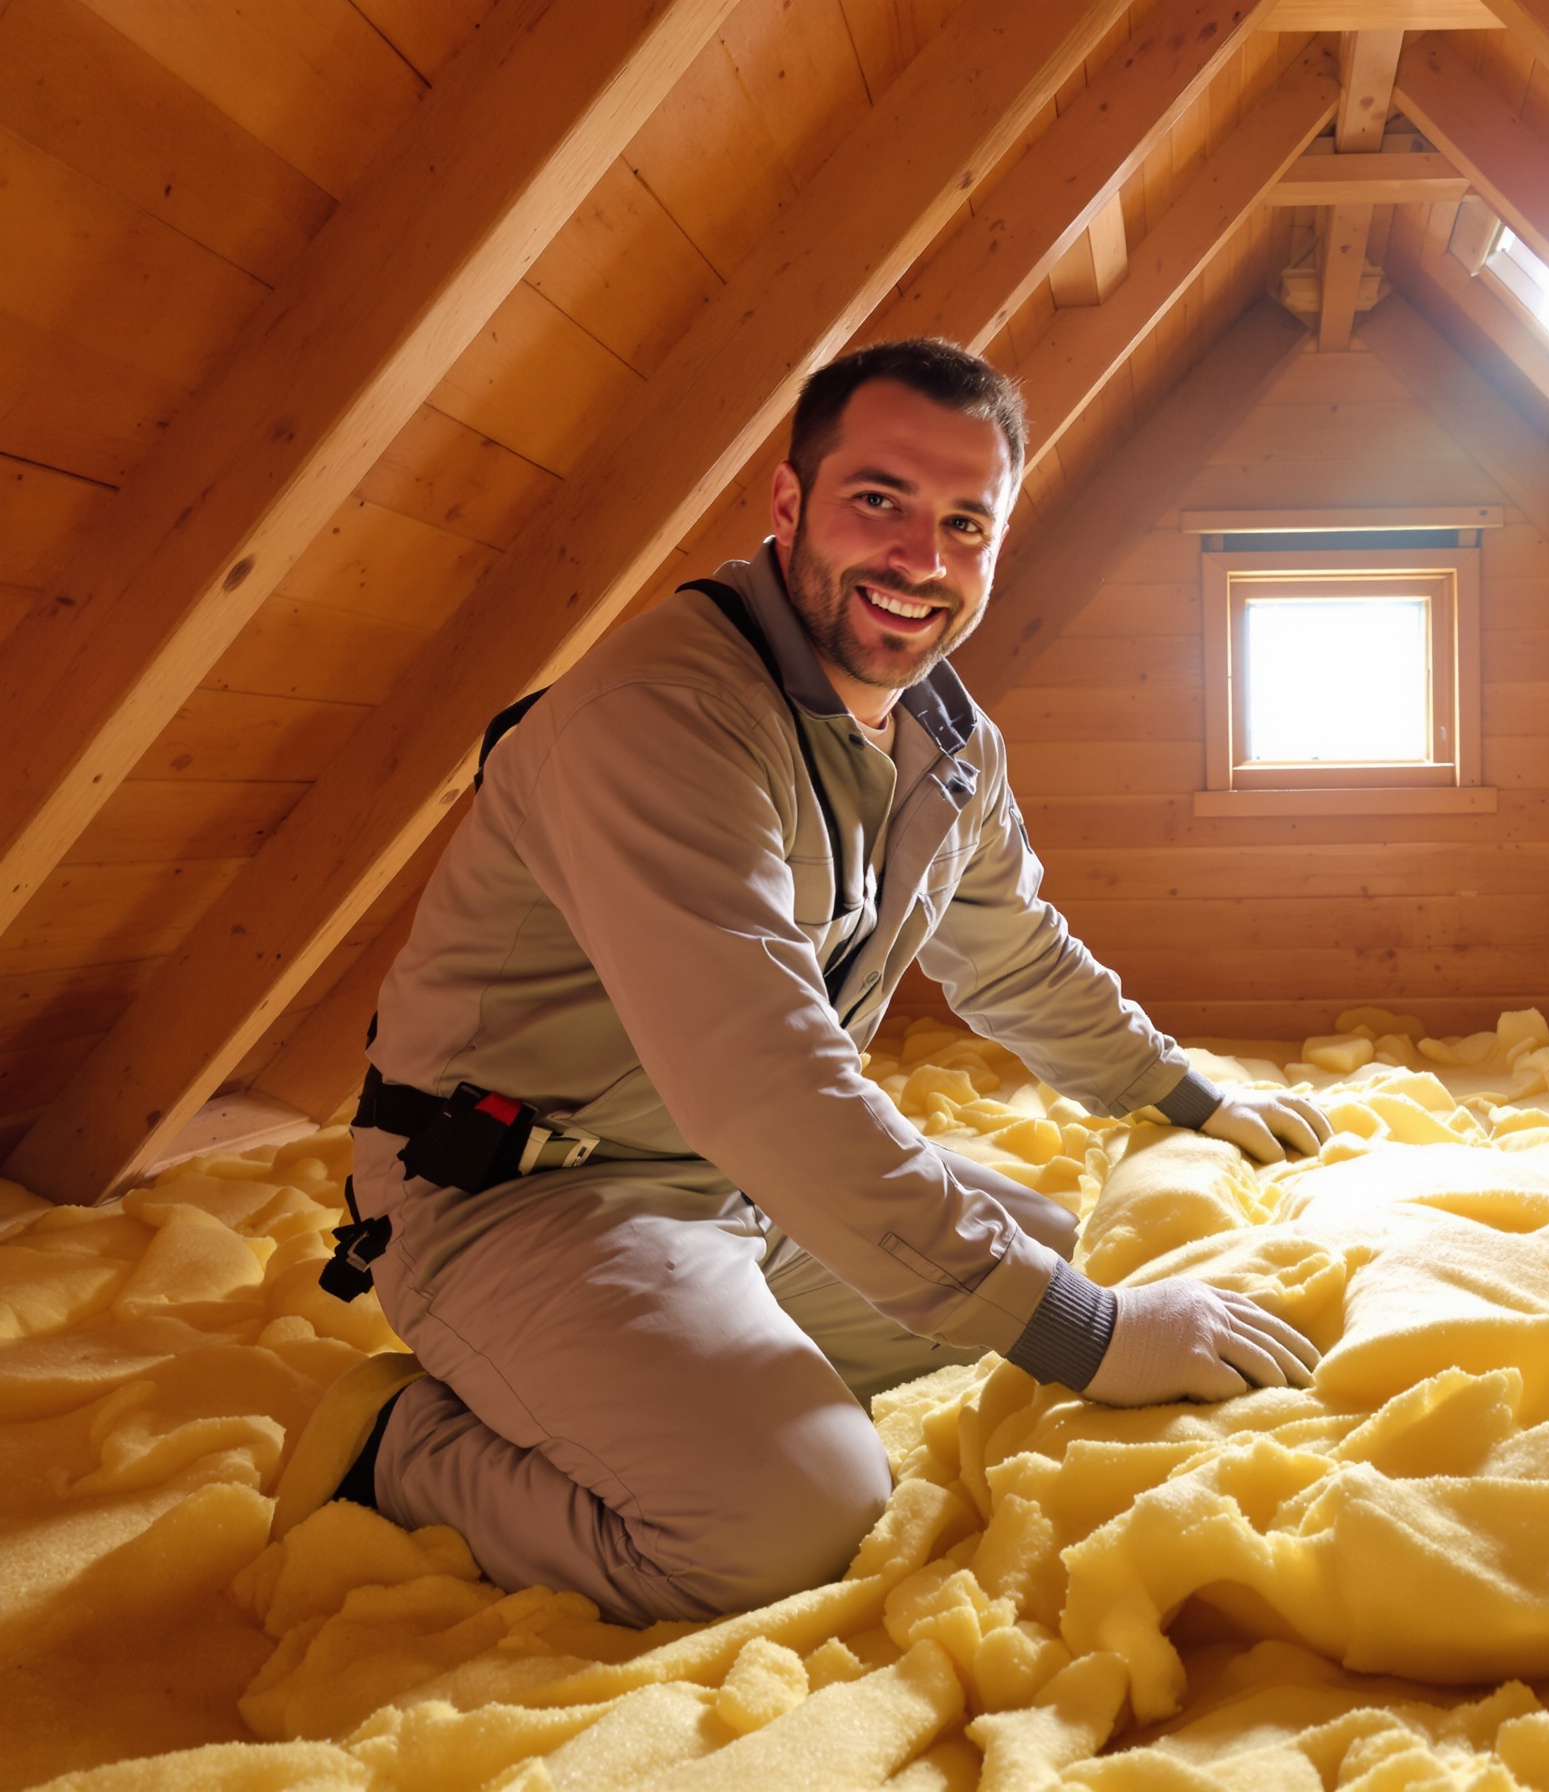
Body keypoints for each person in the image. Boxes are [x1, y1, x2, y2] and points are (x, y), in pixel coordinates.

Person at [276, 339, 1331, 1628]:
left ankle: (690, 1364)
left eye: (963, 524)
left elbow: (1013, 951)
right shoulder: (661, 717)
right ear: (789, 508)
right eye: (877, 501)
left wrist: (1183, 1096)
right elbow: (764, 1079)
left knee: (1059, 1254)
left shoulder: (945, 737)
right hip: (522, 1197)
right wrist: (1090, 1337)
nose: (919, 560)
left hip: (736, 1184)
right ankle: (397, 1450)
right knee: (795, 1513)